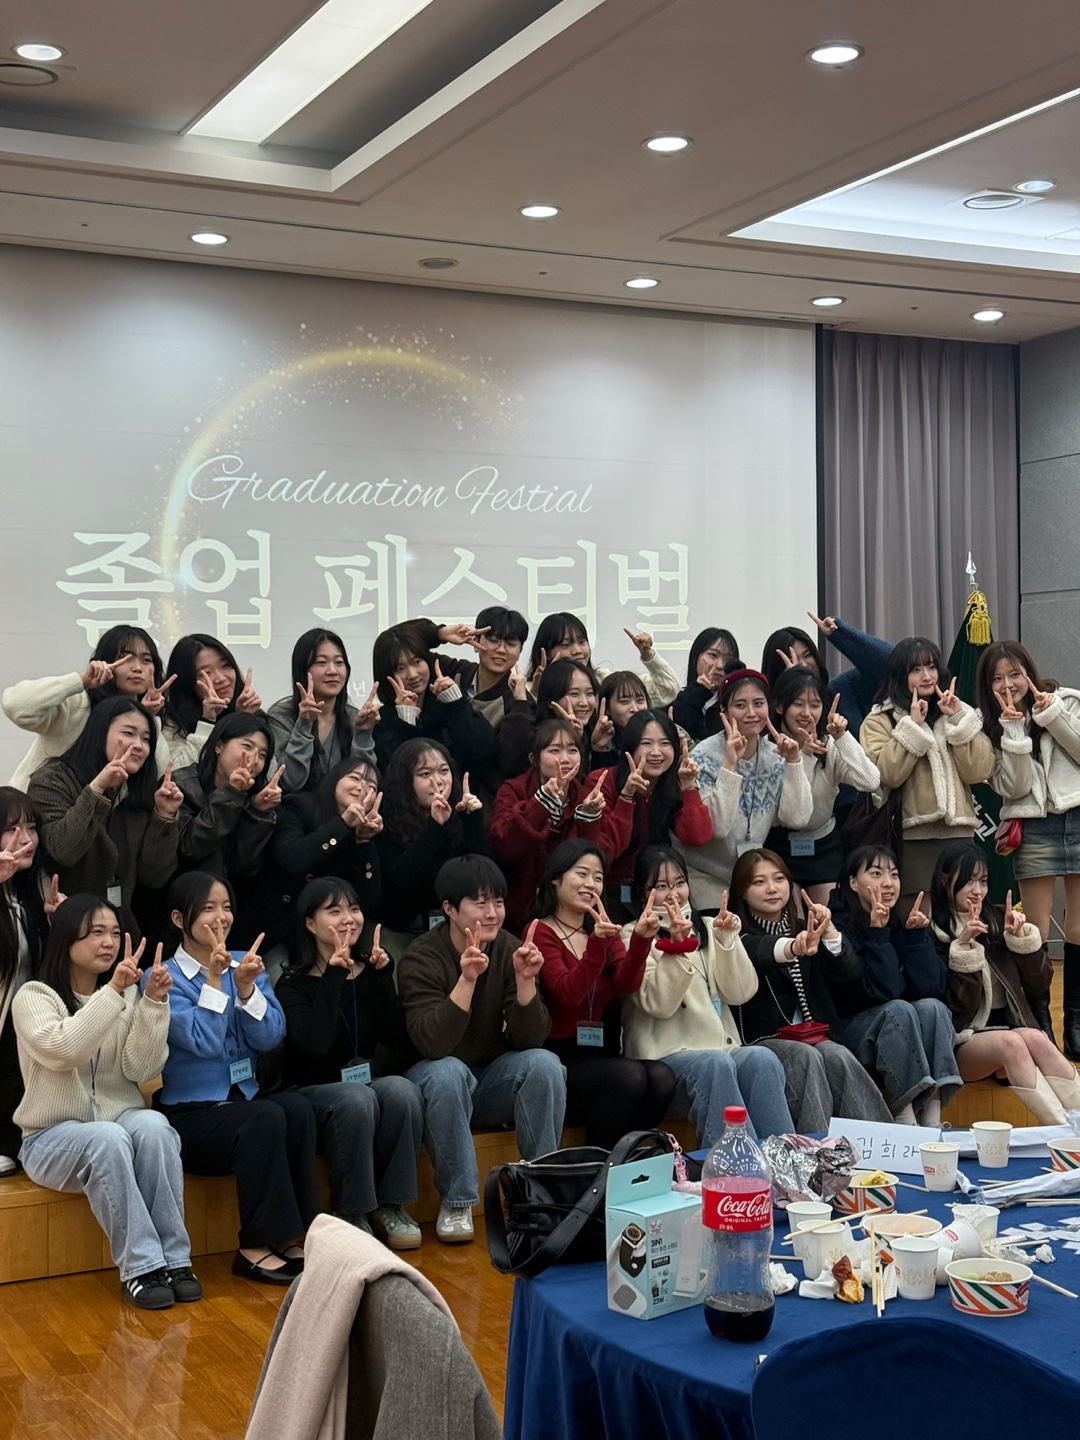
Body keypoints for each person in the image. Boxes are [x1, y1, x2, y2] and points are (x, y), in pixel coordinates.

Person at [13, 895, 200, 1309]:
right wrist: (115, 990)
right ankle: (142, 1267)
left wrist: (153, 1003)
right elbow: (65, 1050)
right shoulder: (33, 996)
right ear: (67, 937)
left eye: (115, 932)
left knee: (155, 1127)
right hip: (49, 1139)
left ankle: (175, 1261)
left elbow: (140, 1067)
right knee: (107, 1138)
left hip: (118, 1127)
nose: (109, 942)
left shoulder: (126, 997)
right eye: (96, 932)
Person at [156, 871, 321, 1285]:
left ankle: (296, 1235)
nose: (221, 917)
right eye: (208, 908)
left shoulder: (245, 962)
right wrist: (215, 980)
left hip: (243, 1101)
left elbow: (271, 1037)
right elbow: (204, 1041)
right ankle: (254, 1247)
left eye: (226, 907)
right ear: (179, 918)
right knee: (264, 1117)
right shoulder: (163, 978)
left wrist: (247, 990)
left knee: (298, 1109)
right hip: (191, 1114)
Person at [397, 855, 565, 1244]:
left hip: (488, 1080)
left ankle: (540, 1193)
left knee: (545, 1064)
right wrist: (467, 980)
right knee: (448, 1071)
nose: (492, 913)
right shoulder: (421, 956)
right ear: (449, 909)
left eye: (499, 902)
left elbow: (529, 1042)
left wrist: (525, 982)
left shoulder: (510, 948)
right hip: (431, 1080)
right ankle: (458, 1202)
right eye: (480, 902)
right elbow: (432, 1044)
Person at [275, 878, 424, 1250]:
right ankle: (351, 1211)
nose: (348, 919)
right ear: (310, 924)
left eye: (353, 909)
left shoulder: (369, 969)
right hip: (311, 1092)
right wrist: (334, 976)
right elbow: (314, 1046)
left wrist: (381, 979)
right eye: (334, 911)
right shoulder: (291, 983)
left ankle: (392, 1206)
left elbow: (396, 1038)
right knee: (356, 1098)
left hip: (364, 1086)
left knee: (402, 1090)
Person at [619, 846, 794, 1145]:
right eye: (661, 886)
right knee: (715, 1063)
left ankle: (786, 1159)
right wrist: (676, 948)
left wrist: (727, 943)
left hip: (721, 1053)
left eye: (679, 882)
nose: (673, 894)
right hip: (665, 1063)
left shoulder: (711, 926)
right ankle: (739, 1166)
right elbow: (658, 1004)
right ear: (642, 893)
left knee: (761, 1058)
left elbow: (741, 993)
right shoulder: (632, 935)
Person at [726, 848, 893, 1131]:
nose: (772, 888)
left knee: (837, 1054)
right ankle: (816, 1146)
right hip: (763, 1039)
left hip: (814, 1036)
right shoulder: (736, 935)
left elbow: (850, 975)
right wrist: (794, 947)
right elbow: (762, 949)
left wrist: (830, 932)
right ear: (741, 892)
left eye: (779, 879)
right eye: (759, 882)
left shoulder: (807, 928)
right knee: (807, 1057)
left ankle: (879, 1139)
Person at [531, 840, 675, 1147]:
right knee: (629, 1076)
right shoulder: (540, 932)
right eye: (581, 874)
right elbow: (568, 993)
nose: (590, 884)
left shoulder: (602, 928)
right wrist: (597, 945)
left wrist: (641, 940)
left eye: (597, 877)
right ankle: (595, 1166)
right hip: (560, 1061)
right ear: (555, 878)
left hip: (603, 1055)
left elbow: (627, 985)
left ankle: (625, 1159)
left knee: (661, 1077)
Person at [976, 639, 1080, 1055]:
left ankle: (1075, 1021)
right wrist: (1014, 730)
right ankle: (1040, 1025)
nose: (1008, 684)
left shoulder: (1066, 701)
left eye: (1015, 674)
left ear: (1029, 672)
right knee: (1032, 929)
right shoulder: (989, 729)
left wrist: (1050, 715)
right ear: (988, 685)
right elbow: (1015, 788)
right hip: (1034, 828)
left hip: (1078, 816)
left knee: (1078, 927)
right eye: (997, 678)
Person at [930, 840, 1080, 1123]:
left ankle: (1076, 1128)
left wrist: (1022, 941)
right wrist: (964, 949)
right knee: (1012, 1042)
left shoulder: (999, 919)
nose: (978, 890)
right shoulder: (934, 933)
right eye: (969, 881)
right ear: (944, 881)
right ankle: (1061, 1132)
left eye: (984, 881)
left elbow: (1039, 984)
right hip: (963, 1043)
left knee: (1035, 1037)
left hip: (1010, 1033)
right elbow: (959, 1009)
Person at [28, 697, 182, 941]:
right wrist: (97, 790)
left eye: (146, 739)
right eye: (128, 733)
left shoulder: (140, 791)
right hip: (63, 930)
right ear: (100, 732)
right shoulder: (54, 778)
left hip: (120, 932)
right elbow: (64, 850)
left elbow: (154, 876)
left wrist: (164, 815)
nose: (139, 745)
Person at [830, 846, 964, 1125]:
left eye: (893, 874)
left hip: (896, 1030)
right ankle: (905, 1120)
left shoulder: (897, 920)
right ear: (853, 882)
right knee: (898, 1010)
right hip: (851, 1034)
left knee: (933, 1008)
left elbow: (932, 989)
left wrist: (916, 939)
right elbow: (880, 993)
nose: (888, 883)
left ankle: (933, 1121)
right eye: (876, 874)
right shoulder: (837, 927)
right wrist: (876, 934)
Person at [860, 637, 994, 903]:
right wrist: (912, 726)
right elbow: (887, 775)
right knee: (917, 917)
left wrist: (958, 719)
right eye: (916, 669)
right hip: (910, 838)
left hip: (960, 835)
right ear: (900, 675)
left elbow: (979, 771)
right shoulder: (880, 718)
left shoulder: (958, 712)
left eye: (931, 667)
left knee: (964, 916)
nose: (926, 676)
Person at [677, 669, 812, 909]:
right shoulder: (704, 756)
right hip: (704, 873)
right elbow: (718, 828)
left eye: (758, 704)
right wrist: (730, 765)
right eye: (740, 705)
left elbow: (797, 819)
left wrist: (793, 762)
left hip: (752, 875)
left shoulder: (775, 755)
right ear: (724, 711)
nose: (751, 713)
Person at [489, 719, 626, 936]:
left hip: (571, 914)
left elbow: (602, 860)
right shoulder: (513, 790)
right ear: (534, 759)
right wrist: (540, 805)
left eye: (572, 750)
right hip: (518, 912)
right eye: (554, 750)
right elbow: (506, 847)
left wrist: (588, 820)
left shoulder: (585, 795)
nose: (565, 759)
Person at [765, 665, 881, 904]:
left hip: (824, 845)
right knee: (791, 917)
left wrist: (842, 736)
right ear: (778, 706)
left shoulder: (829, 745)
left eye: (815, 705)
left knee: (827, 916)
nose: (807, 713)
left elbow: (870, 781)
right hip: (778, 846)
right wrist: (802, 759)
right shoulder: (767, 749)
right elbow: (795, 816)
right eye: (798, 704)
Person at [3, 625, 172, 787]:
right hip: (39, 803)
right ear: (105, 660)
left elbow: (157, 776)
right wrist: (81, 680)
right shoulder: (77, 704)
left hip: (97, 806)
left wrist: (143, 719)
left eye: (146, 660)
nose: (137, 668)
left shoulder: (149, 717)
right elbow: (15, 705)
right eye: (125, 657)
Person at [585, 709, 713, 914]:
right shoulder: (602, 781)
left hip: (660, 890)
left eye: (665, 743)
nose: (656, 752)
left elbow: (697, 836)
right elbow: (605, 851)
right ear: (629, 747)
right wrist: (626, 797)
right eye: (646, 743)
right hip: (610, 889)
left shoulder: (673, 784)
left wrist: (689, 787)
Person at [174, 712, 283, 947]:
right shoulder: (181, 784)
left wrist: (258, 813)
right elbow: (191, 847)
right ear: (219, 745)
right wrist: (231, 794)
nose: (254, 759)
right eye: (247, 746)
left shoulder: (256, 796)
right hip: (183, 911)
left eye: (262, 755)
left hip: (233, 915)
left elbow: (245, 868)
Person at [377, 739, 489, 956]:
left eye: (444, 771)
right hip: (401, 931)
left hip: (455, 930)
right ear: (405, 780)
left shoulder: (461, 814)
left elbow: (483, 875)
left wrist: (472, 821)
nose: (437, 781)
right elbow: (402, 878)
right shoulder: (384, 820)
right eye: (425, 774)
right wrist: (434, 825)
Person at [0, 789, 62, 1172]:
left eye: (32, 827)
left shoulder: (28, 893)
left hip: (23, 1022)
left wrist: (55, 924)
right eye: (12, 828)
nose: (26, 838)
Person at [269, 756, 383, 950]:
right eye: (354, 778)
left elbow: (369, 899)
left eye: (371, 785)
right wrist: (342, 824)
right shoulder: (300, 805)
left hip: (333, 935)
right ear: (335, 779)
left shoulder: (369, 826)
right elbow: (291, 859)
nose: (361, 788)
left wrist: (363, 841)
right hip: (282, 925)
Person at [370, 621, 497, 775]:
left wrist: (457, 704)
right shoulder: (381, 721)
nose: (412, 674)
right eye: (400, 668)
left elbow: (483, 754)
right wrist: (406, 721)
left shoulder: (448, 706)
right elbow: (395, 774)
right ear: (386, 675)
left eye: (417, 662)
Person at [266, 628, 379, 795]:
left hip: (343, 809)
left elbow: (365, 785)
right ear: (303, 670)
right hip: (294, 808)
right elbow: (290, 782)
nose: (332, 670)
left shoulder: (353, 717)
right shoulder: (281, 715)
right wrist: (304, 725)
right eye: (321, 663)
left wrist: (363, 733)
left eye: (339, 662)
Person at [527, 614, 681, 706]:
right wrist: (536, 693)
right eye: (566, 644)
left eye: (582, 642)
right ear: (546, 652)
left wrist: (648, 655)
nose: (578, 650)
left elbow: (667, 690)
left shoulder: (603, 680)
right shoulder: (528, 689)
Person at [160, 633, 262, 770]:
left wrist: (243, 720)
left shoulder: (249, 711)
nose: (220, 678)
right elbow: (175, 771)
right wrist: (207, 722)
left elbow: (270, 773)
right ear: (187, 683)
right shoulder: (171, 723)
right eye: (206, 673)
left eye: (225, 666)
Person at [671, 628, 740, 742]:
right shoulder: (681, 701)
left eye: (728, 659)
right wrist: (698, 691)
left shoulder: (734, 706)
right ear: (696, 656)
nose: (720, 665)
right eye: (713, 655)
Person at [593, 671, 652, 767]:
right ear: (608, 708)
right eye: (624, 702)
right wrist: (599, 750)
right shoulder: (601, 740)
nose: (635, 709)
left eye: (640, 701)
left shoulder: (661, 734)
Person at [760, 626, 827, 694]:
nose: (804, 665)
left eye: (807, 655)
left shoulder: (831, 694)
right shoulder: (764, 699)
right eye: (791, 661)